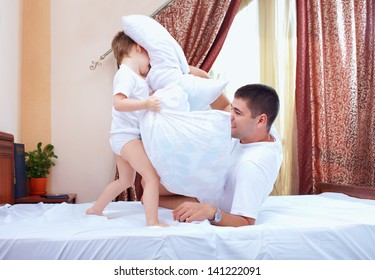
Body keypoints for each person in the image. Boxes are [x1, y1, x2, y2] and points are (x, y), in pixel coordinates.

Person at [159, 83, 283, 227]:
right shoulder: (267, 131)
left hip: (200, 198)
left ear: (261, 121)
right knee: (150, 182)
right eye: (232, 108)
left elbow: (246, 222)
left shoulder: (251, 167)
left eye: (237, 112)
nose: (229, 116)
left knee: (149, 189)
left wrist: (211, 212)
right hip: (206, 181)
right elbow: (213, 94)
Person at [86, 31, 167, 227]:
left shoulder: (137, 78)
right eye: (149, 58)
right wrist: (146, 103)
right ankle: (152, 222)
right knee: (151, 177)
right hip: (126, 137)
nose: (150, 64)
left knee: (125, 181)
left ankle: (95, 210)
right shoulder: (125, 74)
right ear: (138, 47)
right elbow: (119, 103)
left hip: (120, 137)